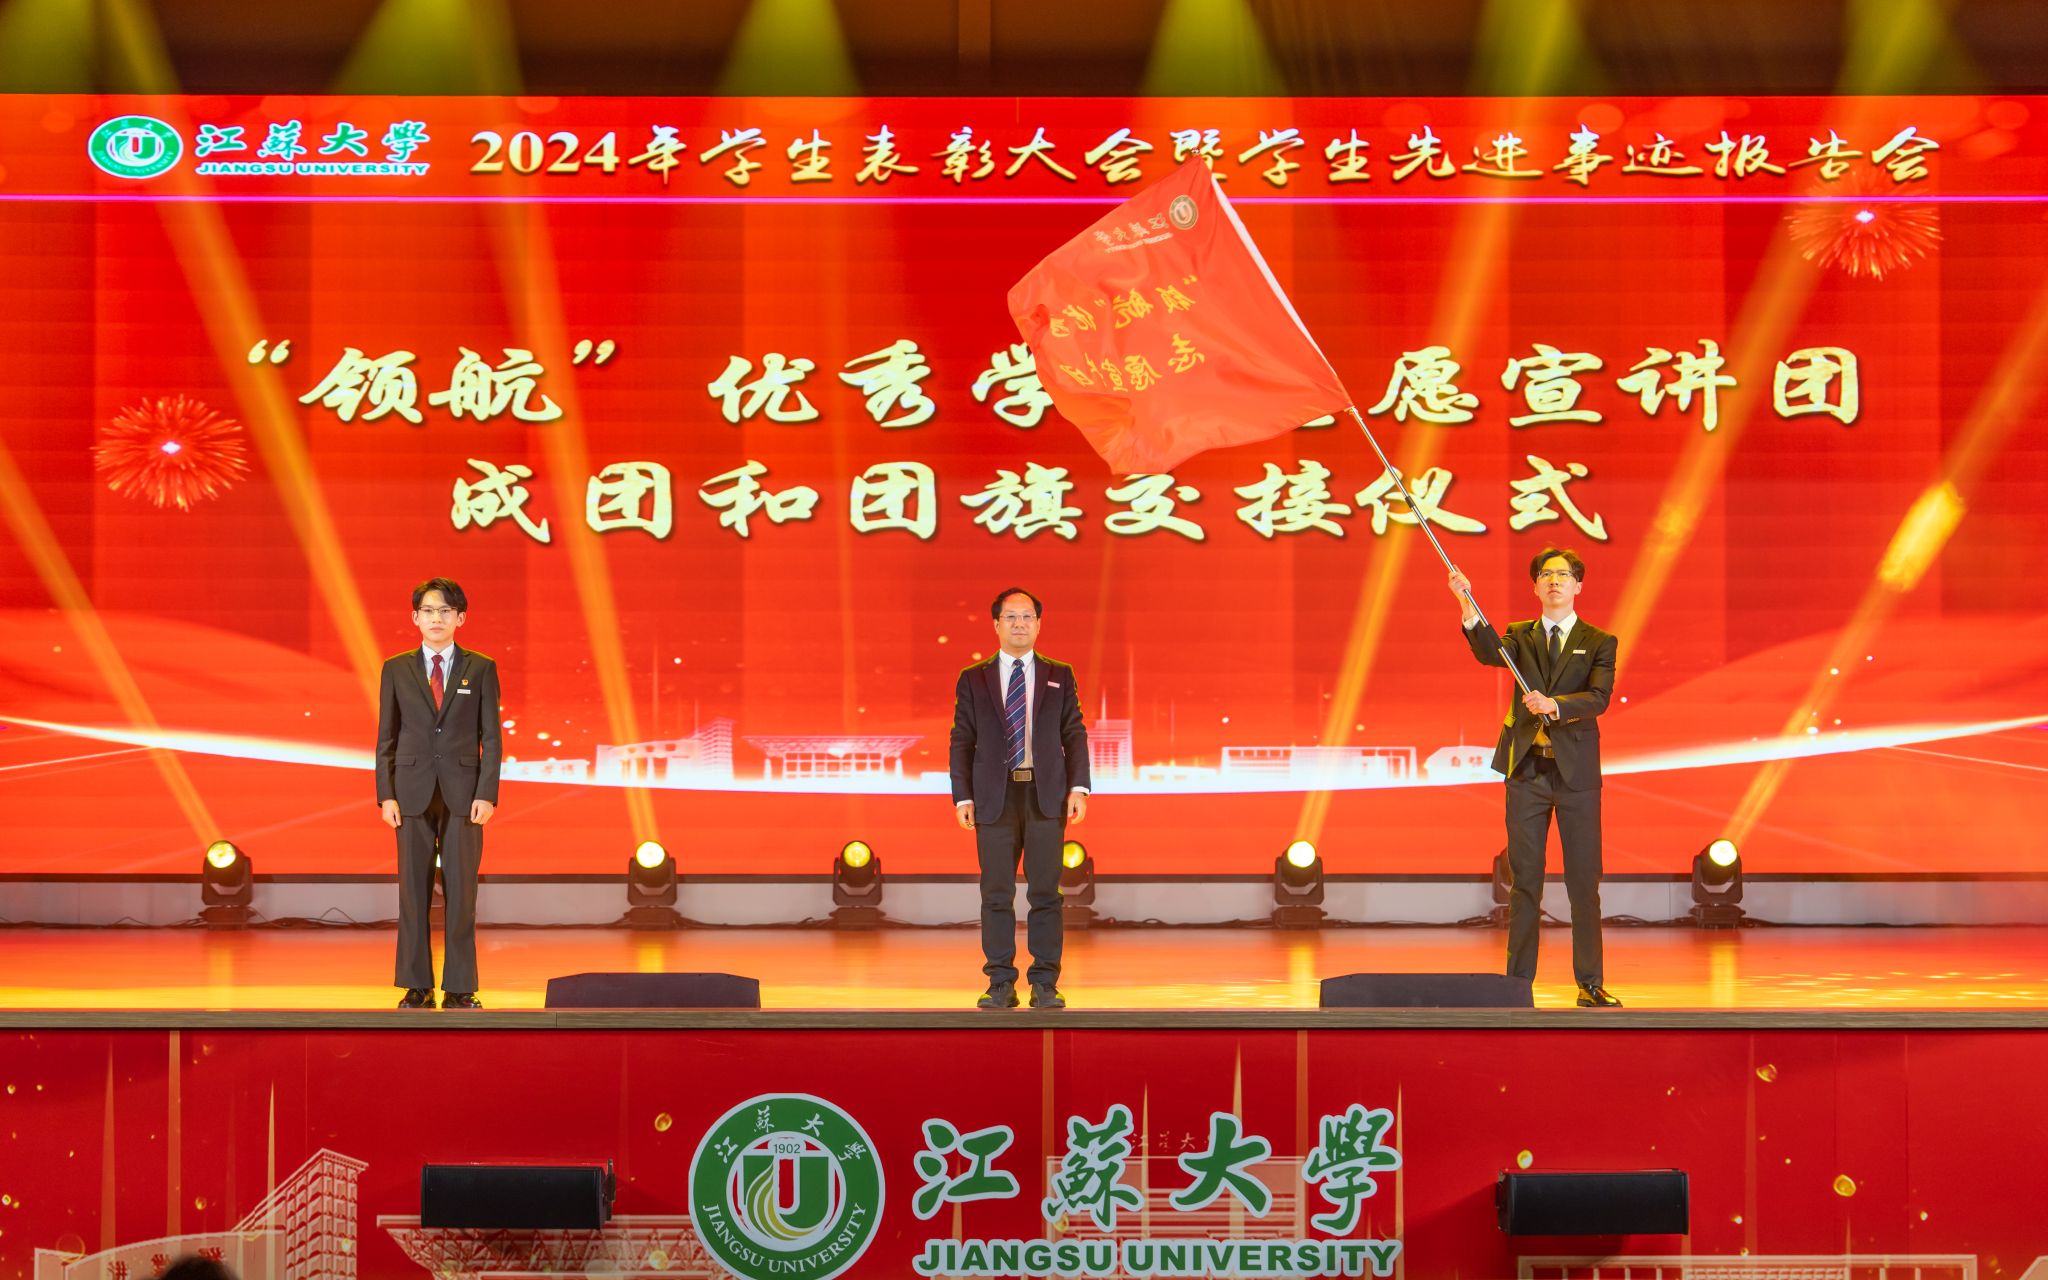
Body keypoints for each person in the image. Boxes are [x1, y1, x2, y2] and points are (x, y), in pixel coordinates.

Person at [1448, 549, 1621, 1008]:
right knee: (1525, 881)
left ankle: (1589, 983)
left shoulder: (1599, 641)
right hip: (1527, 772)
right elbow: (1489, 652)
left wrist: (1555, 705)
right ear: (1536, 586)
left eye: (1563, 575)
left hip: (1576, 777)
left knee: (1583, 882)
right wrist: (1466, 602)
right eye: (1546, 574)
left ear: (1578, 585)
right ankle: (1517, 984)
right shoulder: (1520, 635)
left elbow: (1599, 697)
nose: (1554, 581)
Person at [950, 587, 1090, 1010]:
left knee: (1046, 893)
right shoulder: (973, 678)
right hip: (994, 797)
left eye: (1027, 616)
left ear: (1039, 625)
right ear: (996, 624)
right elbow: (962, 739)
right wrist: (963, 796)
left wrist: (1079, 787)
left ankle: (1045, 983)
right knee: (996, 893)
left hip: (1046, 796)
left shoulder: (1059, 674)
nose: (1019, 624)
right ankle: (999, 982)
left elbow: (1074, 733)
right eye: (1011, 617)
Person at [375, 577, 502, 1009]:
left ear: (460, 618)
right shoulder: (396, 668)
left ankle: (461, 988)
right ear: (415, 617)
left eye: (446, 611)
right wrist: (386, 795)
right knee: (413, 894)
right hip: (409, 793)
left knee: (462, 895)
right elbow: (386, 737)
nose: (436, 618)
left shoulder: (480, 667)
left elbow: (491, 737)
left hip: (464, 795)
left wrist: (487, 793)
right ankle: (417, 985)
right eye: (428, 611)